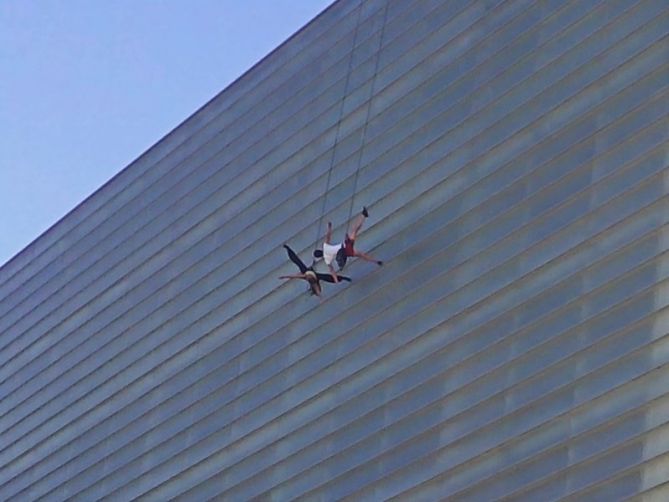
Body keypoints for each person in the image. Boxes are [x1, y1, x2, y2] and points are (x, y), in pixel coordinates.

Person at [314, 206, 382, 278]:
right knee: (354, 230)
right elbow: (328, 235)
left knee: (361, 255)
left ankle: (376, 261)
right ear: (319, 250)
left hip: (347, 253)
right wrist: (329, 227)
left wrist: (336, 279)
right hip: (346, 245)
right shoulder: (325, 246)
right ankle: (364, 215)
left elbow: (332, 270)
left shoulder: (327, 259)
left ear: (320, 257)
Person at [279, 244, 350, 298]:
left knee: (297, 261)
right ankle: (344, 278)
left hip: (306, 271)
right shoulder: (312, 280)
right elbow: (318, 287)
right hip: (314, 275)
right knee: (327, 278)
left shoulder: (305, 276)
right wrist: (321, 298)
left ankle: (288, 248)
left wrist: (285, 277)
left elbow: (294, 276)